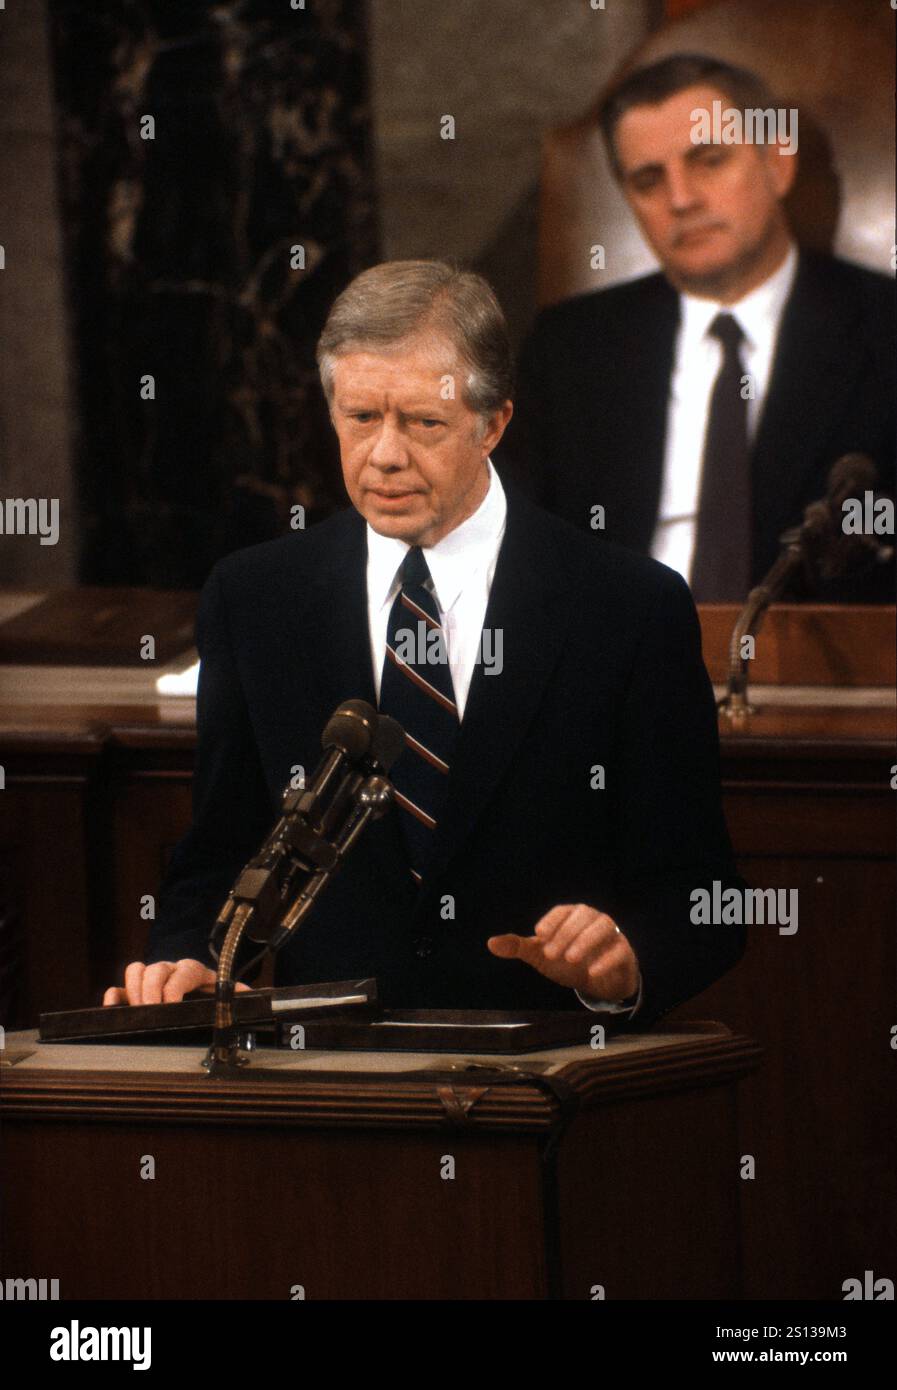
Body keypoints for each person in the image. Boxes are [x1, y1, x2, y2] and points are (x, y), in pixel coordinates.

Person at [105, 260, 746, 1028]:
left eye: (422, 423)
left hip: (545, 1079)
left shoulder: (626, 607)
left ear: (493, 423)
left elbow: (701, 898)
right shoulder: (255, 600)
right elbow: (220, 853)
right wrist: (190, 964)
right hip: (328, 1088)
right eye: (360, 417)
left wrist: (623, 960)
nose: (384, 455)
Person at [498, 53, 895, 601]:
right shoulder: (570, 348)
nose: (681, 200)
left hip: (822, 669)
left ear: (777, 164)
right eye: (648, 180)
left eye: (709, 161)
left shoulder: (884, 329)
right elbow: (514, 555)